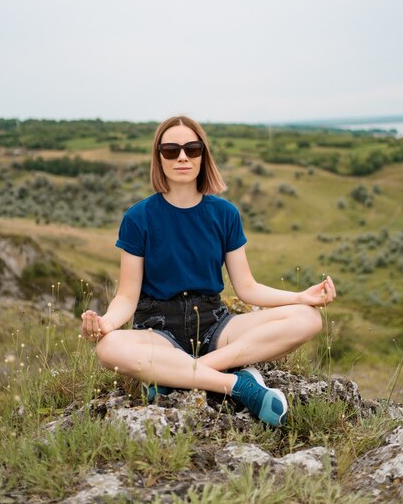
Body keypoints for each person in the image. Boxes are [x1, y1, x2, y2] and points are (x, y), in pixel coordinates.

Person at [81, 115, 336, 426]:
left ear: (203, 155)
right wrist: (105, 323)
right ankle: (238, 386)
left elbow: (247, 288)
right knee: (108, 347)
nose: (183, 157)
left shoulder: (225, 214)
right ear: (159, 158)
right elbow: (126, 295)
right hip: (157, 329)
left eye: (192, 148)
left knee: (307, 318)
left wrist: (300, 296)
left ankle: (180, 374)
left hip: (216, 325)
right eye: (171, 150)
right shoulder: (138, 218)